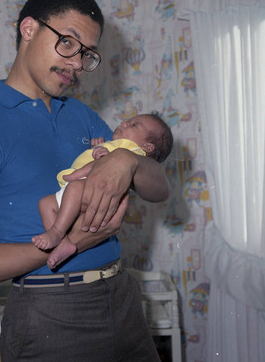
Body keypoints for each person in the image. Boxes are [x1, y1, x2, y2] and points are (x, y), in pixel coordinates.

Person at [0, 0, 170, 362]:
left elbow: (159, 187)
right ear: (28, 29)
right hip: (51, 315)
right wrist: (73, 242)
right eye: (68, 43)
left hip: (122, 299)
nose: (77, 63)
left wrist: (130, 160)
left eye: (86, 54)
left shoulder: (83, 118)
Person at [33, 112, 173, 269]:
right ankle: (64, 243)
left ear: (147, 147)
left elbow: (118, 164)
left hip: (88, 188)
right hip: (78, 187)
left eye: (134, 125)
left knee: (73, 188)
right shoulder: (114, 144)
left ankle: (57, 232)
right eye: (128, 120)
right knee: (45, 203)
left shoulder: (134, 150)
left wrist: (107, 156)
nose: (124, 123)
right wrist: (98, 148)